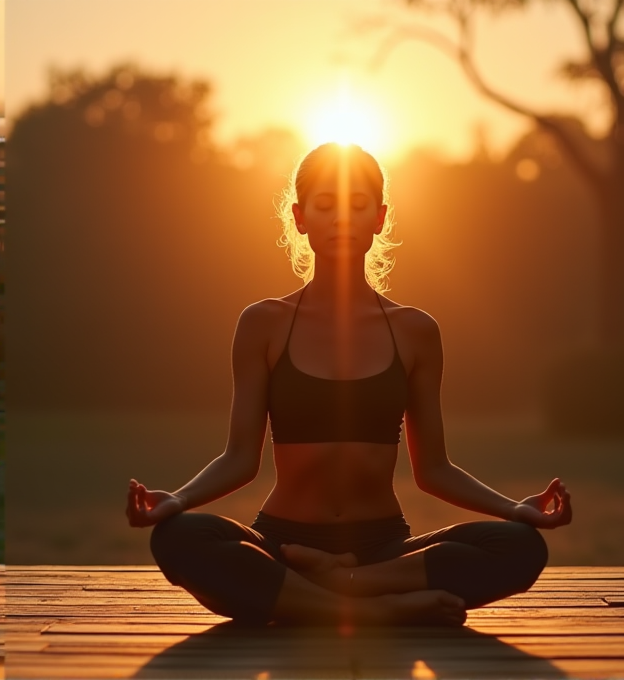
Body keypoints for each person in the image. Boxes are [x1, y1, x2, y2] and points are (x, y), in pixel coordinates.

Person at [126, 142, 572, 627]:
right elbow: (239, 458)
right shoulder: (265, 324)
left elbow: (435, 469)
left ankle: (328, 589)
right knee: (178, 536)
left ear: (379, 218)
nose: (342, 218)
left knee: (520, 546)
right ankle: (374, 610)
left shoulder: (415, 330)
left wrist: (515, 509)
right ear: (300, 217)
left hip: (382, 547)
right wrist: (178, 500)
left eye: (358, 206)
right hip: (284, 541)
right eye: (326, 204)